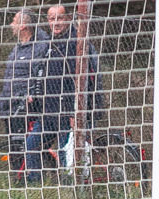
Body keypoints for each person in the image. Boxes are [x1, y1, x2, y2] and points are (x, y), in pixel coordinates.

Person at [27, 4, 103, 173]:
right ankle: (35, 188)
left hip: (71, 113)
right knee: (31, 146)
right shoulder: (48, 45)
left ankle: (73, 191)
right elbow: (41, 74)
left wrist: (74, 113)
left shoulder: (78, 43)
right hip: (49, 112)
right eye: (51, 19)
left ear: (69, 18)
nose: (56, 23)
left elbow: (84, 82)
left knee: (67, 156)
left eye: (60, 18)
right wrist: (34, 95)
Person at [0, 9, 49, 180]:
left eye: (14, 21)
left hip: (28, 109)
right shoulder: (16, 50)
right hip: (11, 110)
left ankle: (36, 183)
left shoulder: (41, 47)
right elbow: (9, 84)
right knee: (15, 152)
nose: (11, 25)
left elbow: (37, 78)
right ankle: (19, 184)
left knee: (30, 149)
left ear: (23, 25)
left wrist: (28, 95)